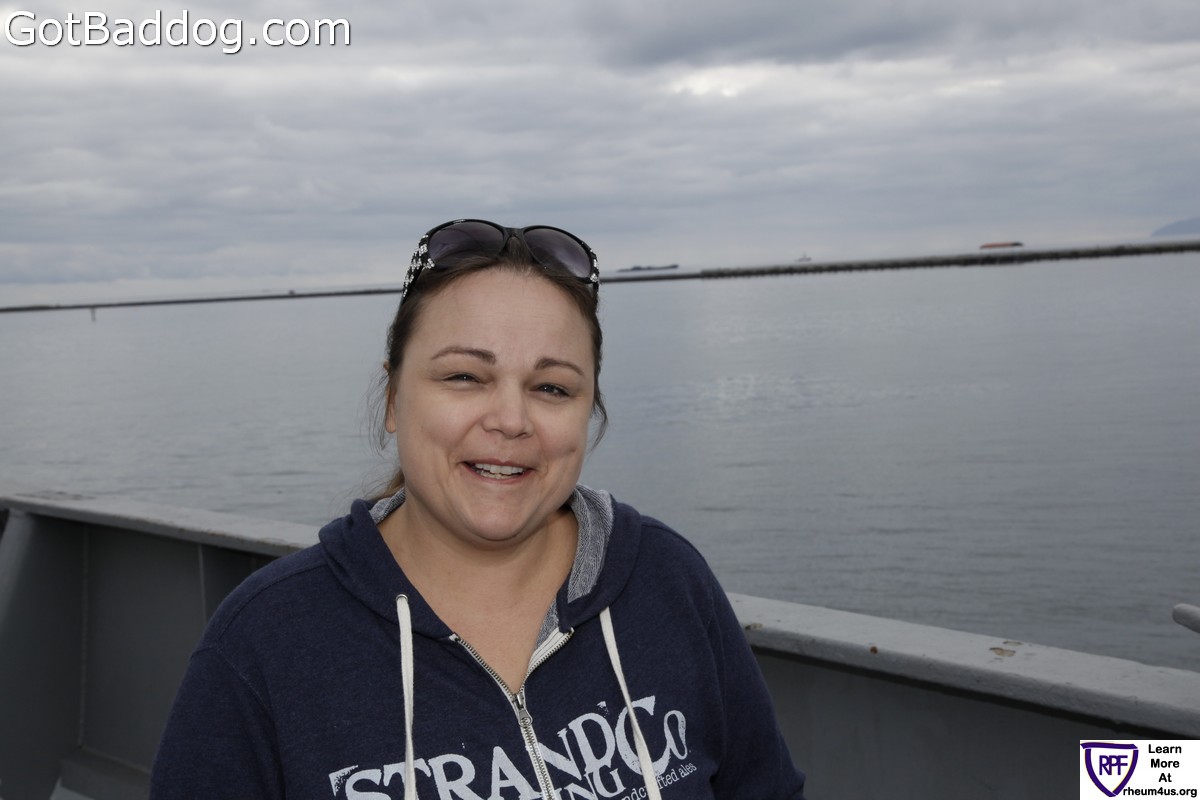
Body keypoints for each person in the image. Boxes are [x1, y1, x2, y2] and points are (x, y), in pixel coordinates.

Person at [150, 219, 806, 799]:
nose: (511, 419)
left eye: (552, 387)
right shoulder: (268, 643)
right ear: (392, 398)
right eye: (465, 376)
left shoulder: (666, 581)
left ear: (589, 412)